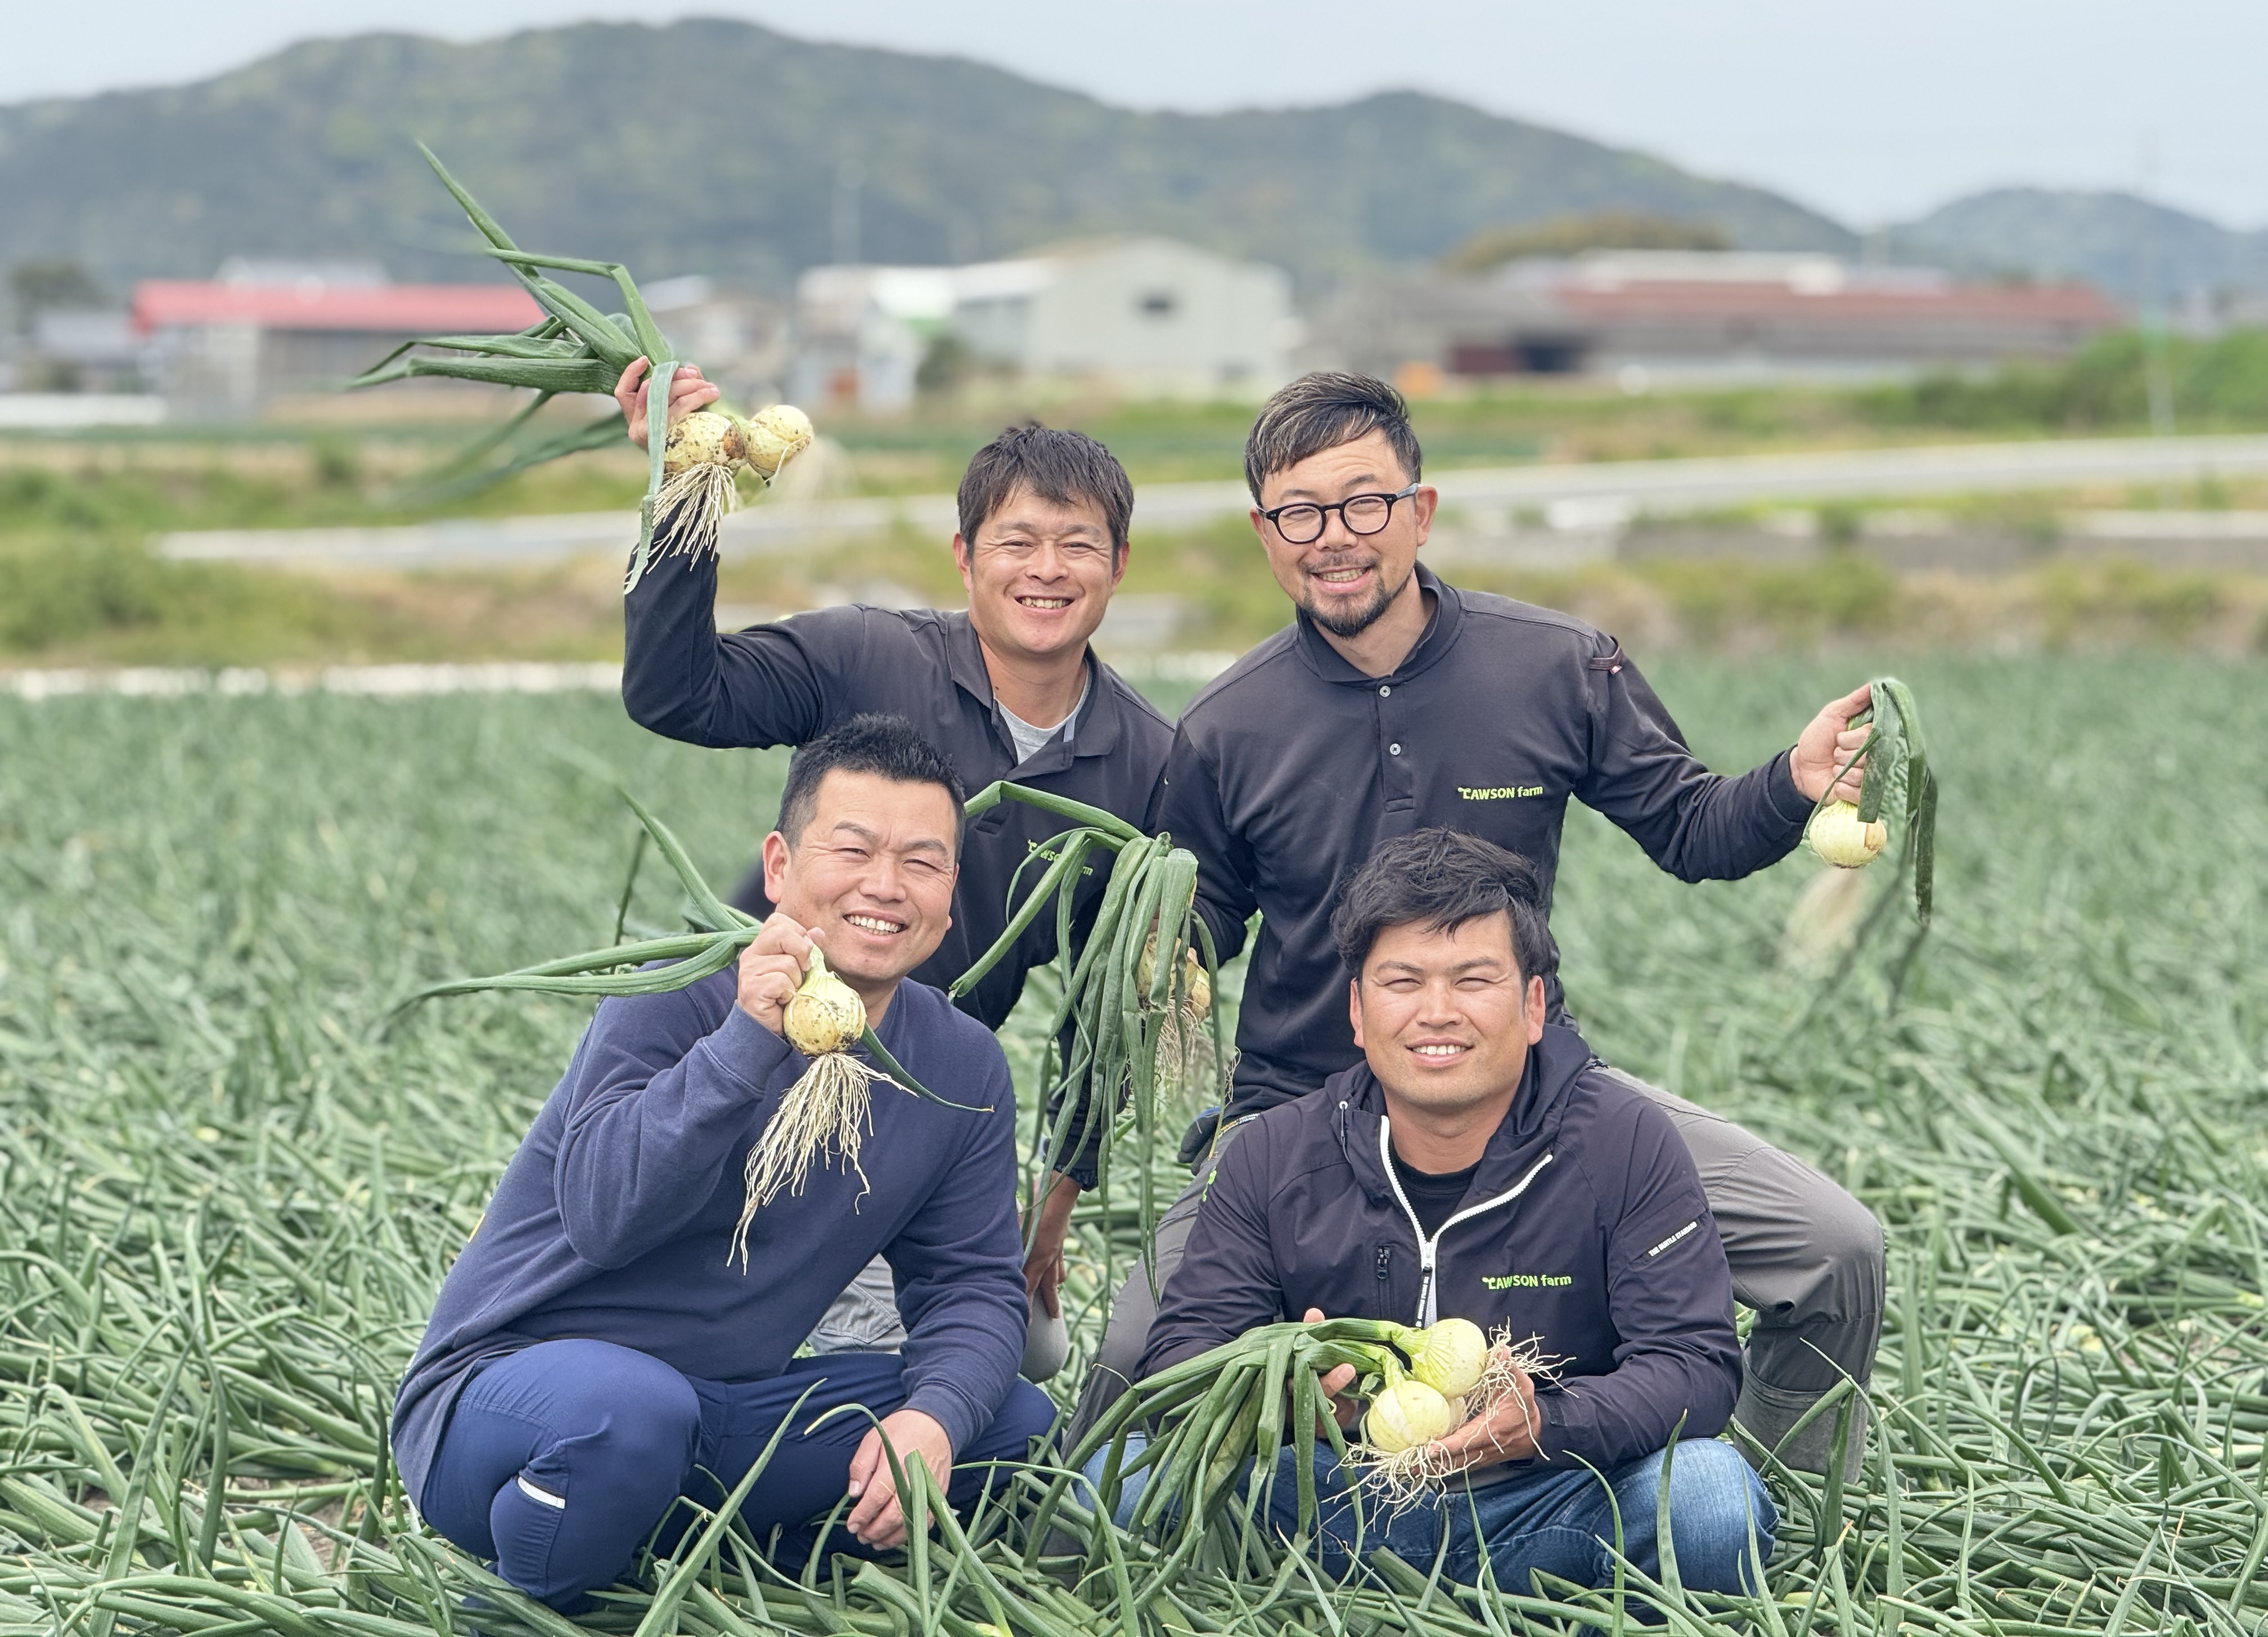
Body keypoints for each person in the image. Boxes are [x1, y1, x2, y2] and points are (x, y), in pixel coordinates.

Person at [1060, 372, 1886, 1476]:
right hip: (1299, 1109)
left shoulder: (1553, 667)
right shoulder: (1227, 725)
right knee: (1133, 1357)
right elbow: (1200, 923)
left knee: (1836, 1249)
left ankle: (1771, 1513)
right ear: (1265, 535)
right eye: (1299, 514)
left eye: (1364, 503)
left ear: (1422, 510)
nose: (1334, 538)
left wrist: (1791, 781)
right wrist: (1154, 946)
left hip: (1529, 1094)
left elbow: (1695, 829)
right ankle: (1063, 1537)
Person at [392, 716, 1054, 1612]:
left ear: (950, 891)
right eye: (853, 850)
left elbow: (970, 1285)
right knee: (631, 1416)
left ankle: (710, 1560)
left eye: (921, 862)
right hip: (518, 1401)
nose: (885, 886)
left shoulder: (960, 1063)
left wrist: (932, 1417)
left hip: (727, 1413)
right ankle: (528, 1603)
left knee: (1012, 1423)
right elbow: (604, 1218)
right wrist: (745, 1043)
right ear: (779, 867)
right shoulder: (676, 992)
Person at [611, 361, 1174, 1367]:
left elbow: (1109, 1012)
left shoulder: (1145, 762)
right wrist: (683, 486)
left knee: (1033, 1355)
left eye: (1077, 545)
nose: (1046, 570)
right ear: (965, 558)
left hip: (919, 1104)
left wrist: (1052, 1203)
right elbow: (676, 696)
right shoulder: (868, 658)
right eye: (1017, 542)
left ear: (1120, 564)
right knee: (741, 1321)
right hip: (756, 1051)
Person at [1124, 829, 1774, 1594]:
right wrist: (1284, 1392)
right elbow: (1179, 1361)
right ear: (1358, 1011)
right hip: (1333, 1496)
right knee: (1124, 1482)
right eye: (1403, 982)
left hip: (1552, 1495)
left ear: (1534, 1006)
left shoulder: (1623, 1142)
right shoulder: (1274, 1153)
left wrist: (1545, 1424)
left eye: (1473, 980)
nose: (1437, 1012)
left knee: (1710, 1500)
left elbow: (1694, 1365)